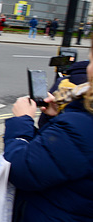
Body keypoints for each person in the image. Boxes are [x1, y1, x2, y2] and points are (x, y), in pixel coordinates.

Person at [5, 35, 93, 221]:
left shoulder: (82, 127)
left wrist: (22, 121)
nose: (87, 67)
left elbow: (21, 170)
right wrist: (61, 114)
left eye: (91, 60)